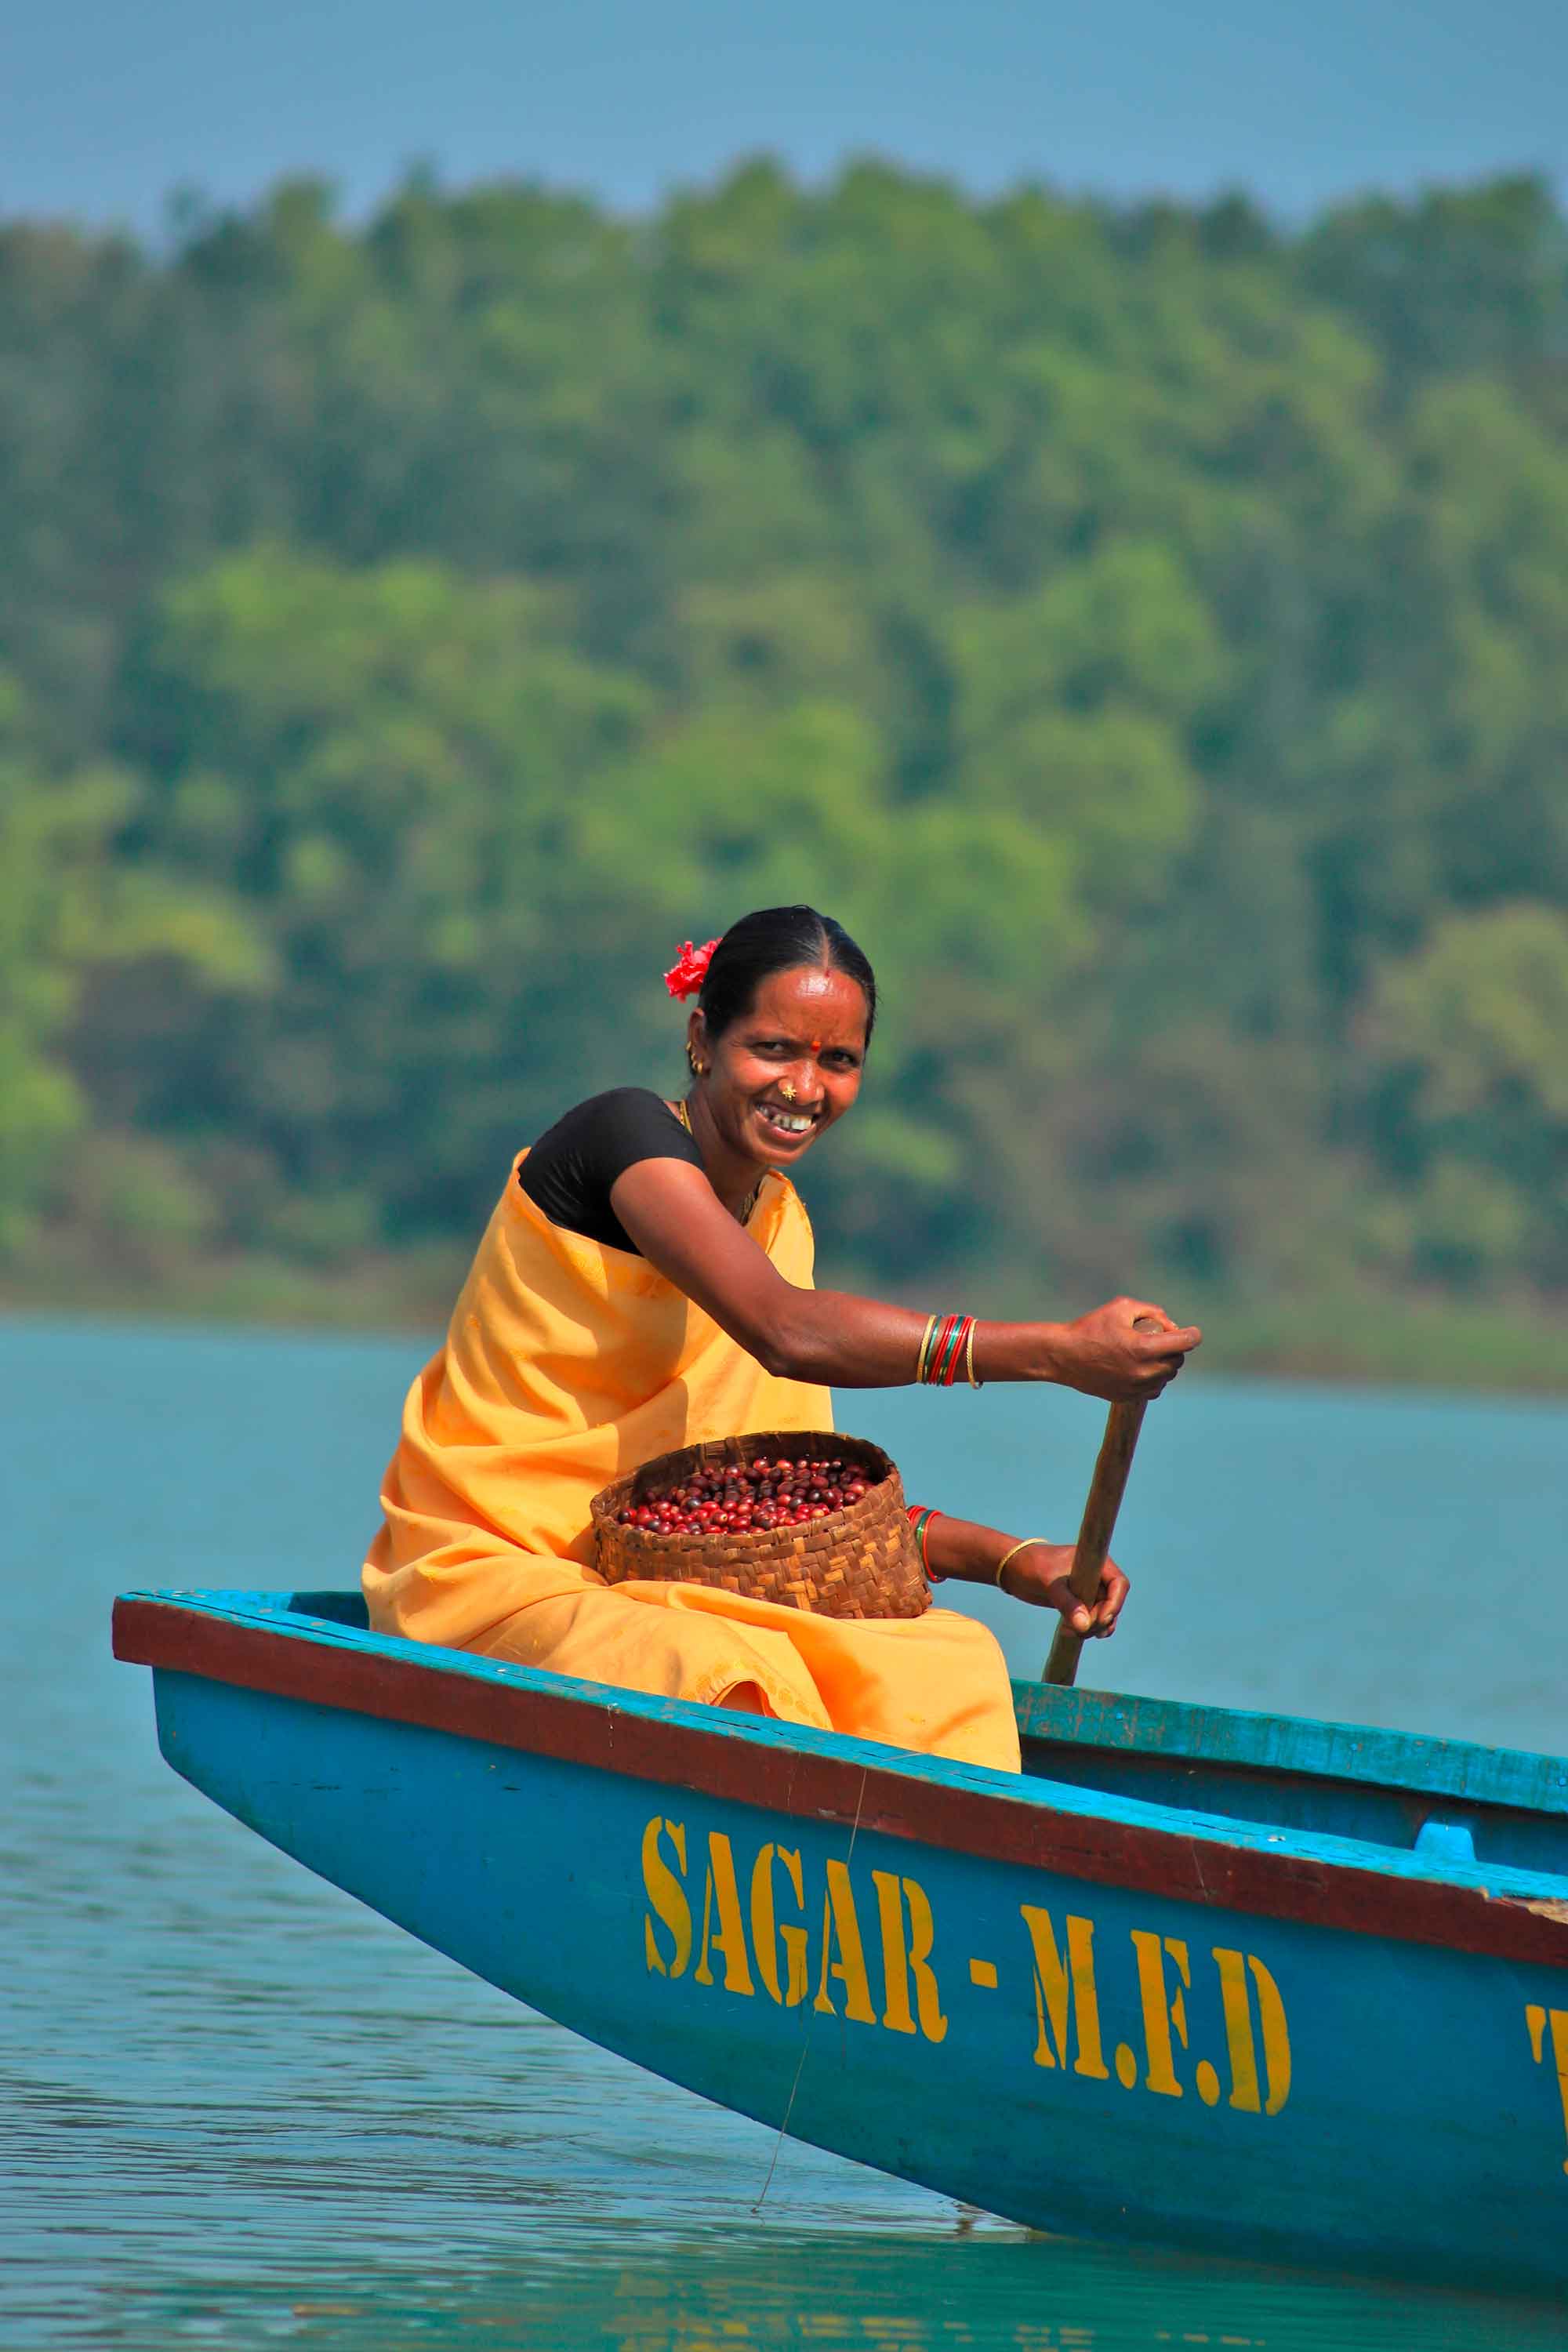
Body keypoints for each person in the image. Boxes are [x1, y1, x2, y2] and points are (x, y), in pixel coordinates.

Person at [363, 906, 1200, 1773]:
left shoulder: (779, 1220)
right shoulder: (619, 1140)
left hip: (667, 1585)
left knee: (942, 1662)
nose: (804, 1088)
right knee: (714, 1670)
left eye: (837, 1061)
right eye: (773, 1049)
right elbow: (784, 1334)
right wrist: (1055, 1353)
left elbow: (776, 1509)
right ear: (702, 1039)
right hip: (497, 1579)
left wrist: (1015, 1562)